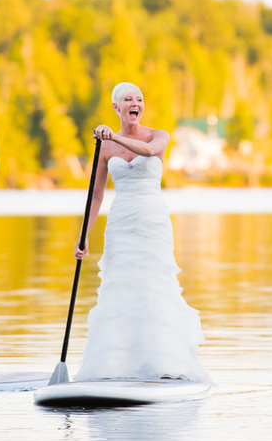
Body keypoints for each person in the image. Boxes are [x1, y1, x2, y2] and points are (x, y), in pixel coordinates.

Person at [73, 81, 210, 382]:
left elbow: (149, 150)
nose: (135, 103)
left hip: (153, 222)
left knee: (154, 286)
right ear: (116, 108)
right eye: (128, 99)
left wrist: (112, 135)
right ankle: (115, 367)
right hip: (121, 223)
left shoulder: (159, 136)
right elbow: (96, 195)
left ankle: (166, 365)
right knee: (120, 288)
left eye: (139, 99)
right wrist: (84, 233)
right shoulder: (106, 146)